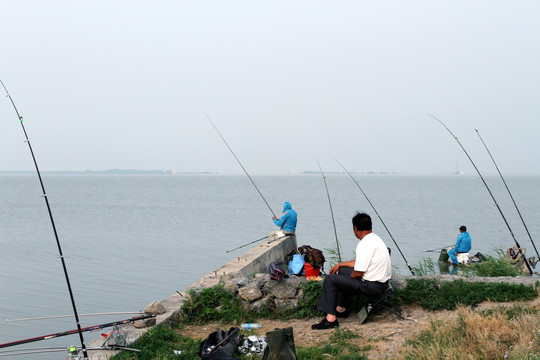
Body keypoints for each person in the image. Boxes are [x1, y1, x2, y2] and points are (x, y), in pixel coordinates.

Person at [312, 212, 392, 330]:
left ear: (355, 228)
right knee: (343, 270)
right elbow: (360, 262)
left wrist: (349, 279)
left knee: (330, 280)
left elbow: (358, 272)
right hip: (381, 284)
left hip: (371, 286)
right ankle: (341, 309)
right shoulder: (375, 239)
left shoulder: (364, 244)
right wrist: (340, 265)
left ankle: (330, 320)